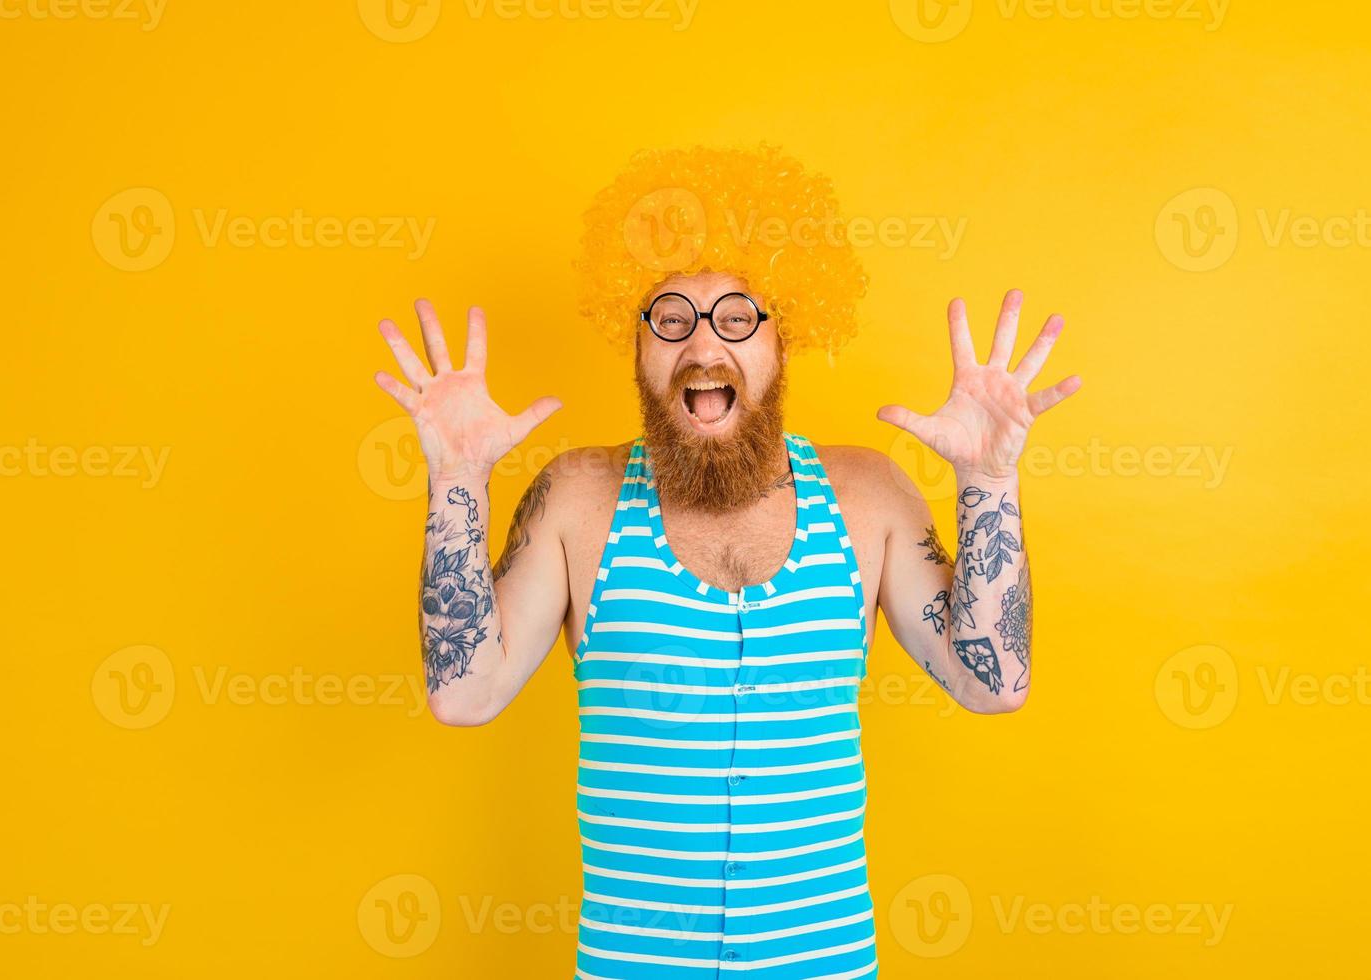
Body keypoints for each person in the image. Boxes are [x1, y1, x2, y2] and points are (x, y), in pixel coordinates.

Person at [371, 145, 1080, 979]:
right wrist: (458, 482)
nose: (704, 347)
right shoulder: (576, 499)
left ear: (785, 339)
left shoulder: (868, 498)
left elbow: (991, 685)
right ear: (635, 344)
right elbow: (464, 693)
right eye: (670, 317)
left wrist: (990, 481)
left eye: (738, 315)